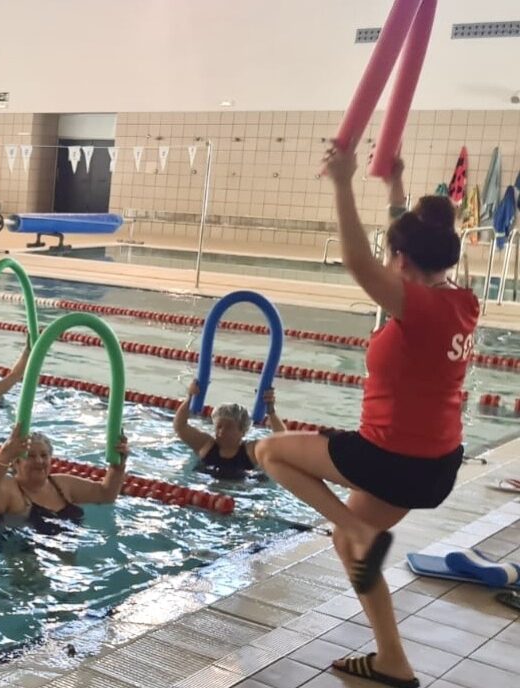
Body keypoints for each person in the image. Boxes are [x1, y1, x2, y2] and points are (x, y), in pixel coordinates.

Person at [253, 154, 476, 688]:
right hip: (437, 463)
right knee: (349, 545)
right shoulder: (460, 301)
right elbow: (405, 248)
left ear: (399, 259)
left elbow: (356, 260)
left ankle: (357, 528)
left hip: (392, 459)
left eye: (391, 251)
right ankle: (391, 661)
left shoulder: (415, 307)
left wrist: (345, 183)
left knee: (270, 452)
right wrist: (397, 186)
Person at [0, 427, 128, 528]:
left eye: (44, 455)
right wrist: (4, 454)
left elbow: (106, 494)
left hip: (64, 569)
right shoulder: (11, 489)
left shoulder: (62, 485)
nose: (39, 461)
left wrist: (118, 466)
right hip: (22, 562)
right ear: (16, 462)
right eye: (31, 456)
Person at [175, 383, 283, 479]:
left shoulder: (251, 452)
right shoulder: (206, 445)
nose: (222, 431)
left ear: (242, 430)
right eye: (219, 426)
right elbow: (180, 427)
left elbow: (282, 442)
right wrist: (189, 397)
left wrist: (271, 412)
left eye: (229, 427)